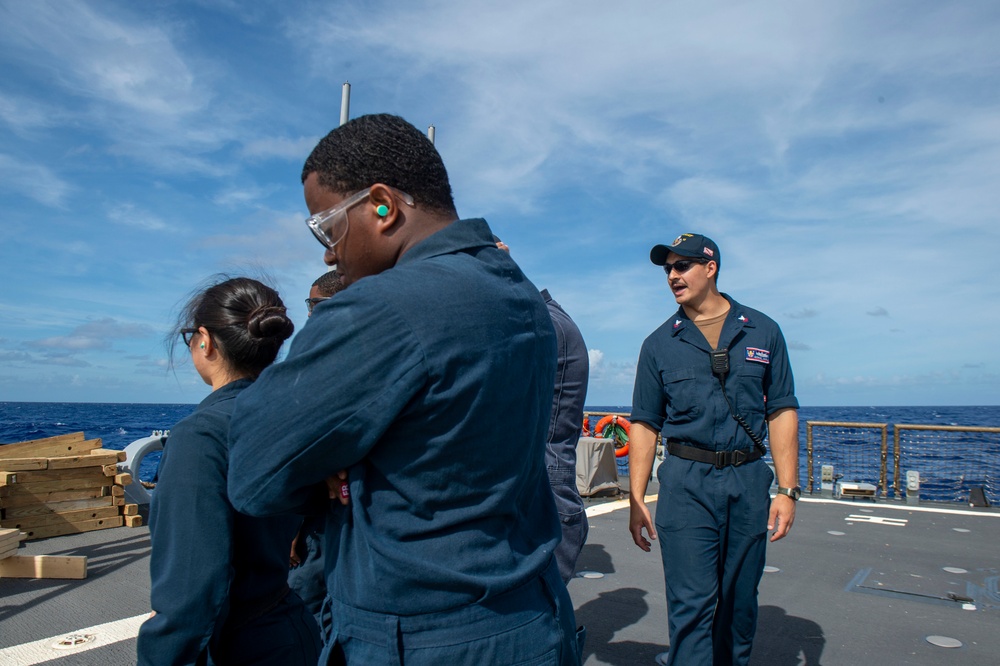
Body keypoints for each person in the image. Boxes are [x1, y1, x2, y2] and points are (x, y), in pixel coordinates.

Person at [227, 114, 581, 665]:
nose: (327, 252)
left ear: (383, 205)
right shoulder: (520, 297)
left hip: (422, 633)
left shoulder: (379, 309)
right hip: (530, 612)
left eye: (325, 226)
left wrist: (330, 468)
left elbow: (252, 471)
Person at [627, 233, 799, 666]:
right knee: (691, 608)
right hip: (686, 485)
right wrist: (635, 497)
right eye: (667, 268)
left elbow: (781, 411)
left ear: (711, 267)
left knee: (740, 608)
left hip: (747, 480)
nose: (672, 275)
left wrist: (787, 489)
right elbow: (645, 424)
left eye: (681, 266)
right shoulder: (659, 344)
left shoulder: (763, 330)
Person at [137, 276, 321, 666]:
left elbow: (190, 592)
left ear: (205, 340)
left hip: (239, 646)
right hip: (294, 631)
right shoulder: (293, 419)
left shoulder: (201, 436)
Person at [495, 236, 590, 583]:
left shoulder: (545, 325)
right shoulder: (537, 319)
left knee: (546, 618)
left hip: (545, 495)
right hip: (539, 490)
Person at [288, 270, 346, 621]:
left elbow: (297, 452)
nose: (309, 315)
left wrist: (291, 529)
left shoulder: (315, 364)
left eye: (314, 304)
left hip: (321, 518)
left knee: (308, 611)